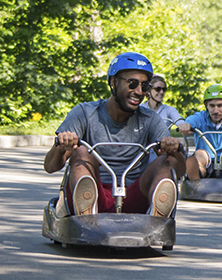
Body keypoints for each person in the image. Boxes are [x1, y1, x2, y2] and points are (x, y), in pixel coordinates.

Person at [43, 52, 186, 217]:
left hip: (133, 197)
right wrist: (62, 147)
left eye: (145, 86)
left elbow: (180, 172)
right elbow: (50, 166)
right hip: (96, 195)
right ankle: (86, 215)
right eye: (132, 84)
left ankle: (157, 219)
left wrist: (173, 151)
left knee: (164, 162)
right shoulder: (85, 113)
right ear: (113, 82)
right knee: (81, 152)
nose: (139, 92)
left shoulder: (150, 119)